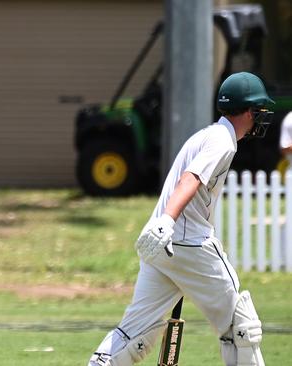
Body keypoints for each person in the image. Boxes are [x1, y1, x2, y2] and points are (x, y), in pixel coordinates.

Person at [87, 72, 274, 366]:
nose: (261, 118)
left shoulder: (206, 134)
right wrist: (169, 221)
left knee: (133, 334)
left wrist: (162, 225)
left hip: (162, 247)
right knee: (242, 325)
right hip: (188, 242)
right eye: (260, 111)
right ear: (249, 111)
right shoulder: (222, 141)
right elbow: (191, 178)